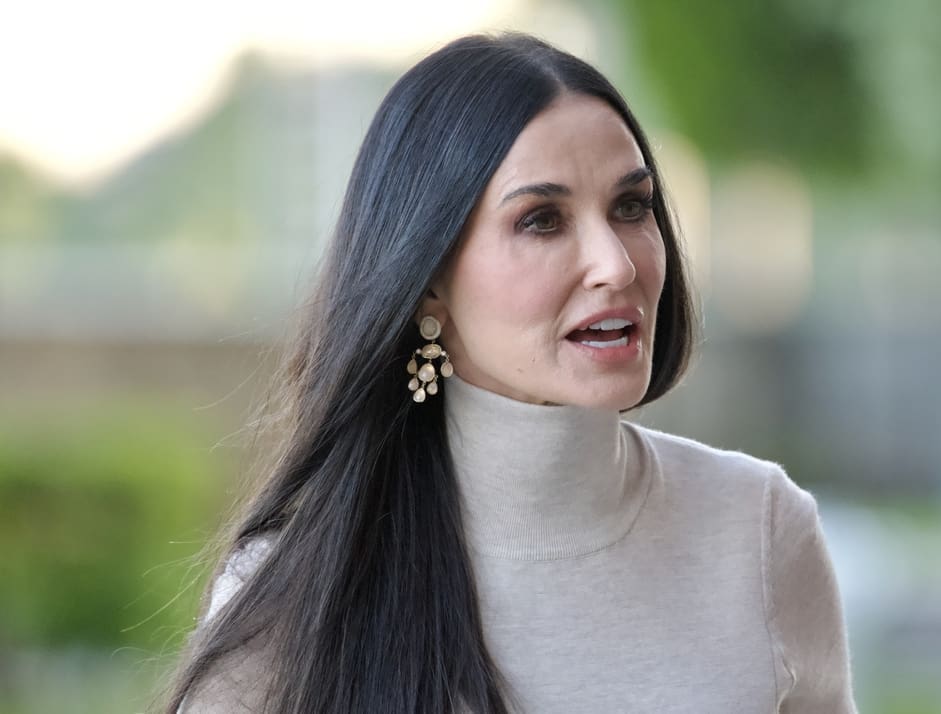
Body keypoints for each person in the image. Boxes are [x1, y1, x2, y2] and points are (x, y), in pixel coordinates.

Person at [167, 33, 856, 713]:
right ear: (428, 283)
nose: (616, 264)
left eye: (631, 207)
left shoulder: (759, 531)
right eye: (542, 220)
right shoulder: (292, 597)